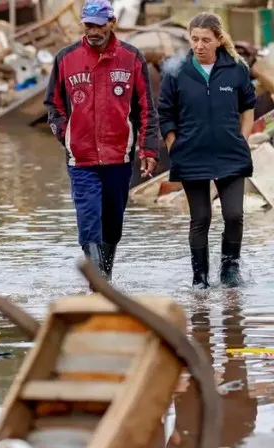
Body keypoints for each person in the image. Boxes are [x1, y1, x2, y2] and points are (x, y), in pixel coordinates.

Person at [44, 0, 159, 282]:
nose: (93, 31)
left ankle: (104, 278)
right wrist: (65, 135)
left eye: (98, 25)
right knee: (88, 220)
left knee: (112, 225)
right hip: (81, 160)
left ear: (112, 23)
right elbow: (54, 105)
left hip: (119, 157)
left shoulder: (132, 58)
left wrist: (148, 149)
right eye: (88, 25)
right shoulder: (65, 58)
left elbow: (146, 107)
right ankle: (98, 284)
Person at [157, 12, 256, 289]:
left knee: (234, 215)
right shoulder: (177, 72)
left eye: (205, 40)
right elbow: (165, 113)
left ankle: (229, 270)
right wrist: (173, 145)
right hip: (191, 156)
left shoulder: (236, 68)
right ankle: (200, 279)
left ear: (218, 39)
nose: (199, 46)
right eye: (194, 39)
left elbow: (248, 105)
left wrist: (243, 140)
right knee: (200, 218)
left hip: (231, 155)